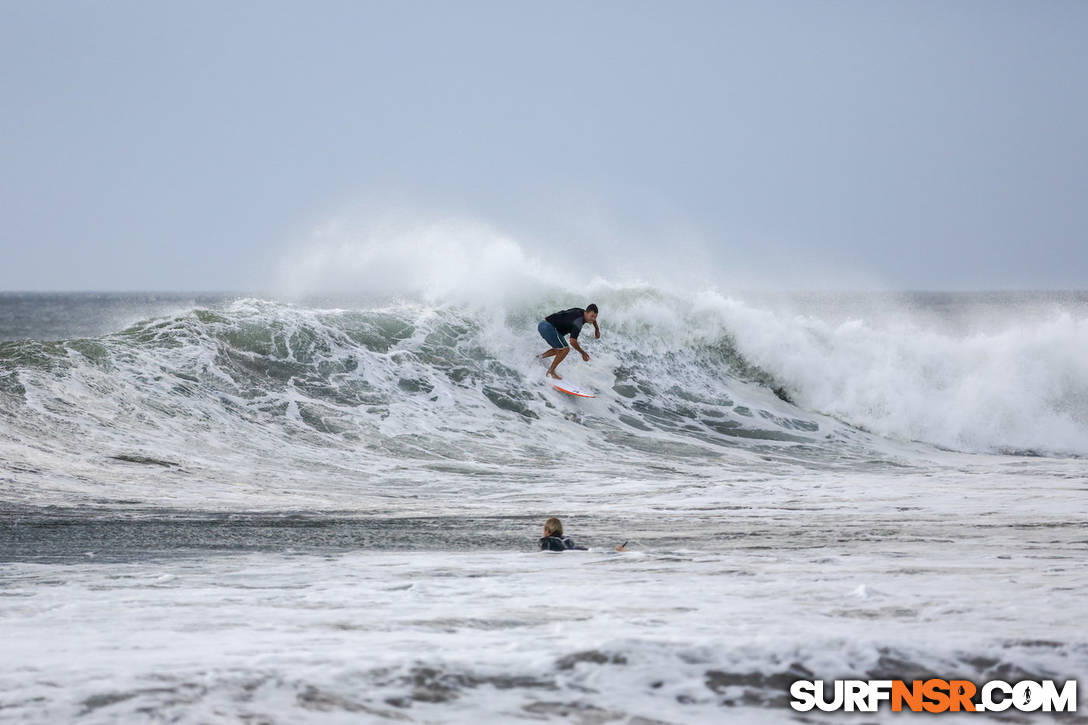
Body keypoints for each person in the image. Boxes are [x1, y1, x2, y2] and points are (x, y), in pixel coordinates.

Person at [538, 304, 600, 379]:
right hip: (548, 327)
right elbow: (573, 341)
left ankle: (539, 358)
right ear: (586, 313)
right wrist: (583, 353)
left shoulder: (581, 311)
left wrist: (597, 329)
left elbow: (593, 320)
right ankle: (550, 372)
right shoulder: (578, 322)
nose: (593, 319)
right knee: (565, 349)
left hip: (544, 324)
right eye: (592, 316)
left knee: (559, 348)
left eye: (595, 317)